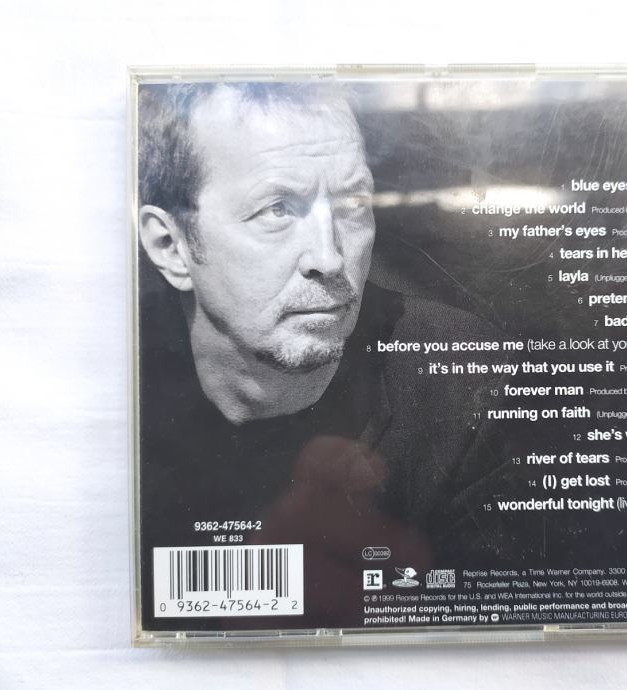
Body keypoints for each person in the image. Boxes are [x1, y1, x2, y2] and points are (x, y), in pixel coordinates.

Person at [136, 82, 525, 628]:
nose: (329, 256)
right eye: (276, 209)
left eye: (352, 205)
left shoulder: (463, 376)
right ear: (171, 246)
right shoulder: (117, 393)